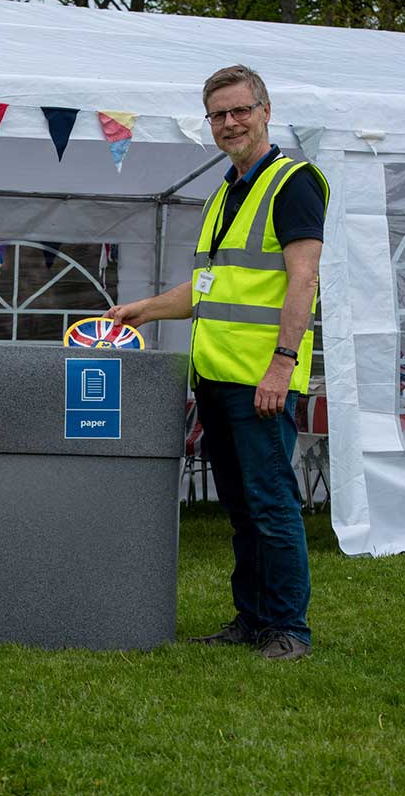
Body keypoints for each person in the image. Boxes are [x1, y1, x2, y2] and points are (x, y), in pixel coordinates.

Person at [106, 65, 328, 661]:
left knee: (271, 503)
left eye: (240, 111)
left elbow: (303, 280)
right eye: (218, 115)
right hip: (215, 379)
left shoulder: (294, 182)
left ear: (265, 111)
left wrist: (282, 366)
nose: (230, 123)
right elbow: (206, 290)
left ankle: (289, 629)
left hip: (261, 380)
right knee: (240, 507)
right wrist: (145, 310)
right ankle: (253, 619)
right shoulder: (225, 192)